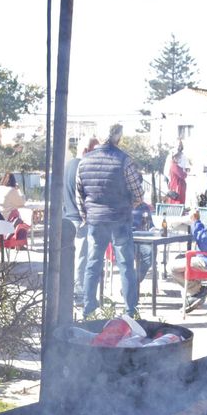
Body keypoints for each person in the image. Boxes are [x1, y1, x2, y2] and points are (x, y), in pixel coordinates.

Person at [76, 123, 143, 316]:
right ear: (117, 138)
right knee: (125, 265)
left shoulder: (84, 161)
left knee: (93, 263)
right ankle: (130, 310)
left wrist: (86, 216)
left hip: (96, 220)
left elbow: (79, 194)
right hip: (120, 218)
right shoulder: (124, 160)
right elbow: (137, 191)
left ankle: (89, 308)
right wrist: (132, 205)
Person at [61, 138, 94, 309]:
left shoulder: (67, 166)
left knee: (69, 258)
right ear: (87, 151)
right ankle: (79, 293)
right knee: (81, 258)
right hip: (80, 220)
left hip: (67, 218)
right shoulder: (82, 167)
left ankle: (69, 291)